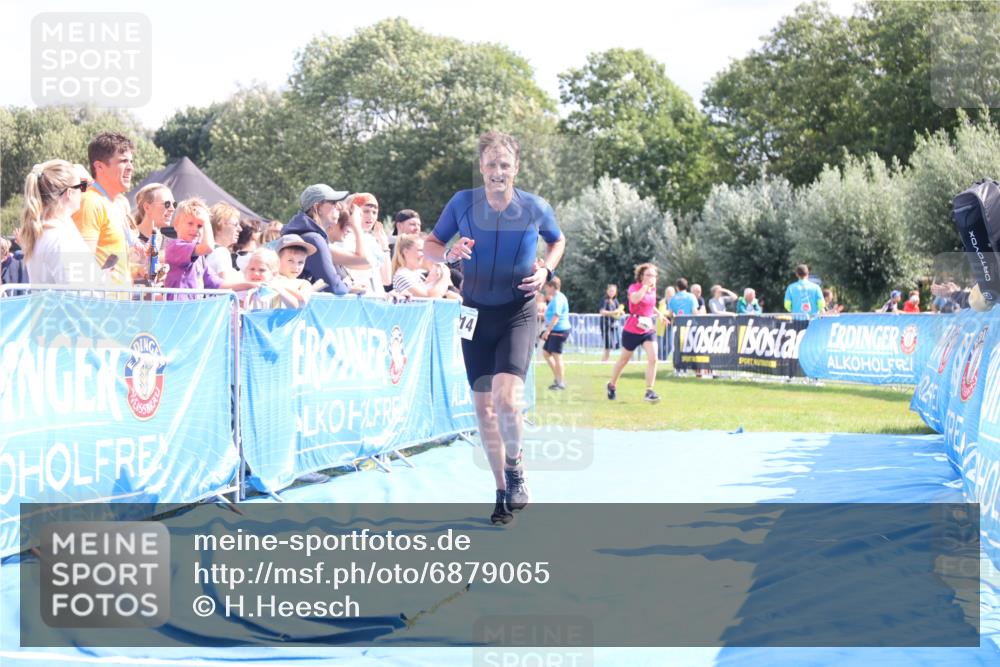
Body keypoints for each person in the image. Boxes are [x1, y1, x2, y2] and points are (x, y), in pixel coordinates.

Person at [423, 130, 565, 525]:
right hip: (474, 314)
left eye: (505, 164)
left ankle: (517, 467)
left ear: (515, 167)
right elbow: (431, 244)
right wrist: (448, 253)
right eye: (490, 164)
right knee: (484, 409)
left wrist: (546, 270)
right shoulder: (462, 204)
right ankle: (502, 489)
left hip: (518, 311)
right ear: (481, 168)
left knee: (506, 399)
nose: (497, 171)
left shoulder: (535, 207)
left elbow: (557, 241)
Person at [18, 159, 106, 286]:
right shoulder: (60, 238)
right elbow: (79, 295)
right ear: (69, 193)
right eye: (81, 186)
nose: (83, 192)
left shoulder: (46, 231)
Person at [164, 197, 259, 300]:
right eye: (190, 223)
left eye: (200, 226)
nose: (195, 229)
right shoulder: (176, 246)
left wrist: (253, 285)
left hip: (191, 310)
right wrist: (206, 221)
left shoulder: (199, 257)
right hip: (177, 311)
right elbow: (208, 247)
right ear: (176, 224)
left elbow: (219, 284)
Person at [72, 132, 135, 287]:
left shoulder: (115, 204)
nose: (130, 167)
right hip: (101, 307)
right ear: (99, 166)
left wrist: (136, 271)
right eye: (123, 161)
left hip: (118, 305)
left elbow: (109, 263)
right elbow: (83, 266)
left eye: (131, 161)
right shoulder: (90, 202)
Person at [281, 184, 351, 295]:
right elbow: (334, 287)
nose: (339, 206)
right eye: (333, 203)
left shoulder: (303, 234)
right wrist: (349, 286)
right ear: (317, 207)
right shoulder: (314, 239)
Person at [607, 263, 661, 403]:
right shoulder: (634, 287)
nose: (652, 278)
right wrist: (645, 287)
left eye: (654, 275)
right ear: (642, 276)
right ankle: (612, 384)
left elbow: (650, 305)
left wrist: (660, 315)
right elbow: (635, 299)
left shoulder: (652, 290)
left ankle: (649, 391)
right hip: (632, 328)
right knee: (624, 360)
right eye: (649, 275)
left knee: (654, 358)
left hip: (647, 328)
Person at [345, 192, 392, 295]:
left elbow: (387, 280)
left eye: (374, 212)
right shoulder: (345, 238)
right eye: (366, 211)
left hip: (375, 302)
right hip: (357, 301)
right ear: (352, 212)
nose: (371, 216)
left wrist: (384, 246)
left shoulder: (371, 239)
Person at [243, 247, 309, 310]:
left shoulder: (302, 283)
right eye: (290, 260)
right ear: (279, 260)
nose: (296, 267)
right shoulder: (250, 285)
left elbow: (302, 303)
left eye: (300, 262)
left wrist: (277, 287)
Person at [391, 233, 450, 298]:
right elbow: (428, 297)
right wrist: (445, 275)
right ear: (406, 252)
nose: (423, 254)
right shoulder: (402, 276)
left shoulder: (417, 274)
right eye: (420, 250)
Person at [541, 276, 571, 390]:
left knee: (557, 356)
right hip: (555, 330)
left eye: (546, 286)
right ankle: (558, 378)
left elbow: (556, 316)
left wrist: (547, 331)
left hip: (559, 330)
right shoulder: (556, 297)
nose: (545, 289)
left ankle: (561, 382)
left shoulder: (558, 298)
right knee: (546, 353)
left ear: (552, 287)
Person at [598, 283, 622, 362]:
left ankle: (605, 361)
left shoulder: (615, 300)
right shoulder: (604, 300)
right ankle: (604, 362)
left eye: (613, 291)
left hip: (613, 325)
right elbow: (602, 311)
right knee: (607, 345)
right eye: (610, 291)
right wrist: (613, 313)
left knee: (611, 345)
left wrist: (621, 312)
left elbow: (618, 310)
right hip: (605, 324)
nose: (612, 292)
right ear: (607, 291)